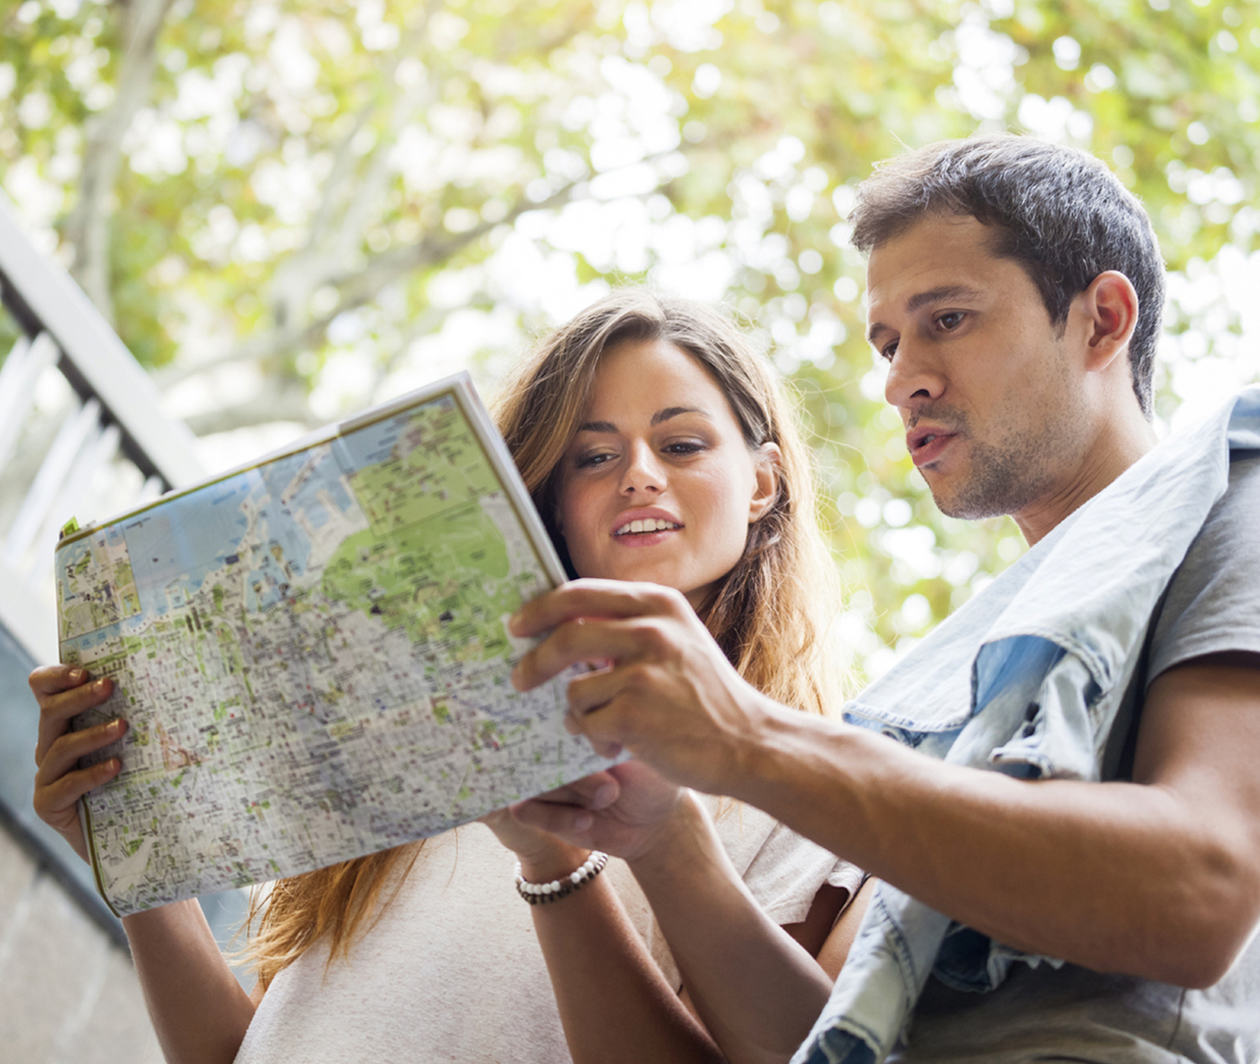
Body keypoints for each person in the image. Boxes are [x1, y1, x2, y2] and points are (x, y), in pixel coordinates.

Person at [507, 135, 1260, 1062]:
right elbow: (822, 1045)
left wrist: (748, 740)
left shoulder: (1227, 496)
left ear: (1102, 320)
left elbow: (1201, 892)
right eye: (889, 342)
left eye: (947, 319)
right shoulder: (936, 690)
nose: (903, 379)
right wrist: (667, 841)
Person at [30, 290, 867, 1063]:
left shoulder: (795, 785)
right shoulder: (406, 720)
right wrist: (133, 861)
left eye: (681, 444)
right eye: (592, 457)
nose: (639, 473)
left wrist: (555, 864)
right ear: (550, 496)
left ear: (763, 480)